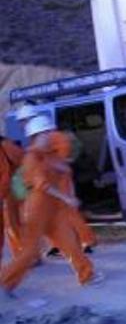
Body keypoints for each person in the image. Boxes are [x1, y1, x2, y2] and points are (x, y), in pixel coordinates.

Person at [1, 115, 102, 295]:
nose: (50, 135)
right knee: (30, 251)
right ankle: (5, 282)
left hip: (54, 210)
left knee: (70, 243)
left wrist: (64, 170)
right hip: (37, 209)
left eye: (49, 131)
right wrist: (67, 198)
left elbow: (63, 168)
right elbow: (43, 185)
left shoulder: (50, 155)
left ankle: (87, 275)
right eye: (46, 132)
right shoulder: (31, 158)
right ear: (36, 135)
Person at [14, 106, 97, 257]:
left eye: (21, 120)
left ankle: (87, 241)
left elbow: (61, 161)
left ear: (28, 118)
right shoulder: (40, 136)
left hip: (59, 181)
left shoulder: (54, 136)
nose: (21, 124)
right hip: (51, 181)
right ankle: (57, 245)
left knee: (70, 211)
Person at [0, 134, 24, 267]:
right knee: (15, 222)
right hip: (14, 186)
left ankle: (24, 255)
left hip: (11, 188)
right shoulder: (7, 143)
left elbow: (5, 174)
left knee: (12, 223)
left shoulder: (4, 145)